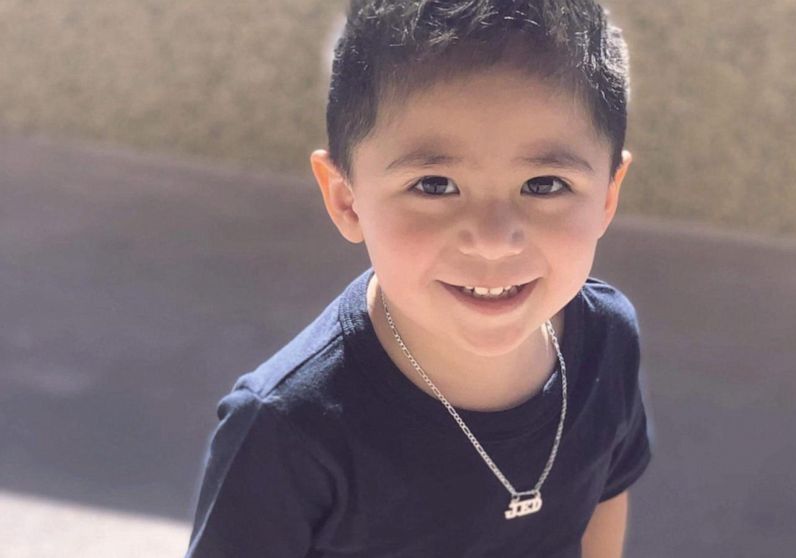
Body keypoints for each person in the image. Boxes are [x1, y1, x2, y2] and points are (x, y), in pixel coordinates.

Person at [185, 1, 653, 556]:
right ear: (347, 200)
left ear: (607, 197)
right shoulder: (284, 427)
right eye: (434, 185)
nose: (493, 239)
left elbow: (606, 491)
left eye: (544, 184)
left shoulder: (607, 339)